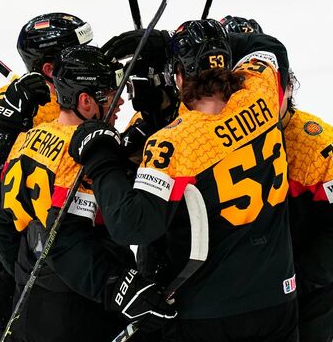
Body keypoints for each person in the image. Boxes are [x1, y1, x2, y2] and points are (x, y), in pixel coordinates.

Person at [70, 19, 298, 341]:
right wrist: (177, 44)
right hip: (276, 299)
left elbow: (133, 224)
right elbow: (270, 46)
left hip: (209, 311)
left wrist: (101, 155)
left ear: (178, 76)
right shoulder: (260, 95)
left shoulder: (176, 141)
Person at [0, 45, 175, 342]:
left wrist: (27, 273)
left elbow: (5, 225)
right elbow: (70, 239)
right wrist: (118, 287)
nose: (118, 106)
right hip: (75, 301)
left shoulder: (29, 137)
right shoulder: (81, 154)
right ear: (86, 101)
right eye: (111, 96)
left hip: (32, 288)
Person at [222, 15, 333, 342]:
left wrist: (287, 280)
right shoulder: (214, 137)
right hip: (241, 304)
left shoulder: (313, 145)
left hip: (304, 302)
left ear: (286, 86)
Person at [0, 13, 92, 342]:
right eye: (80, 51)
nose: (92, 54)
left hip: (50, 256)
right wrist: (7, 120)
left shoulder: (80, 94)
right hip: (3, 260)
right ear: (49, 69)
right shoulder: (15, 99)